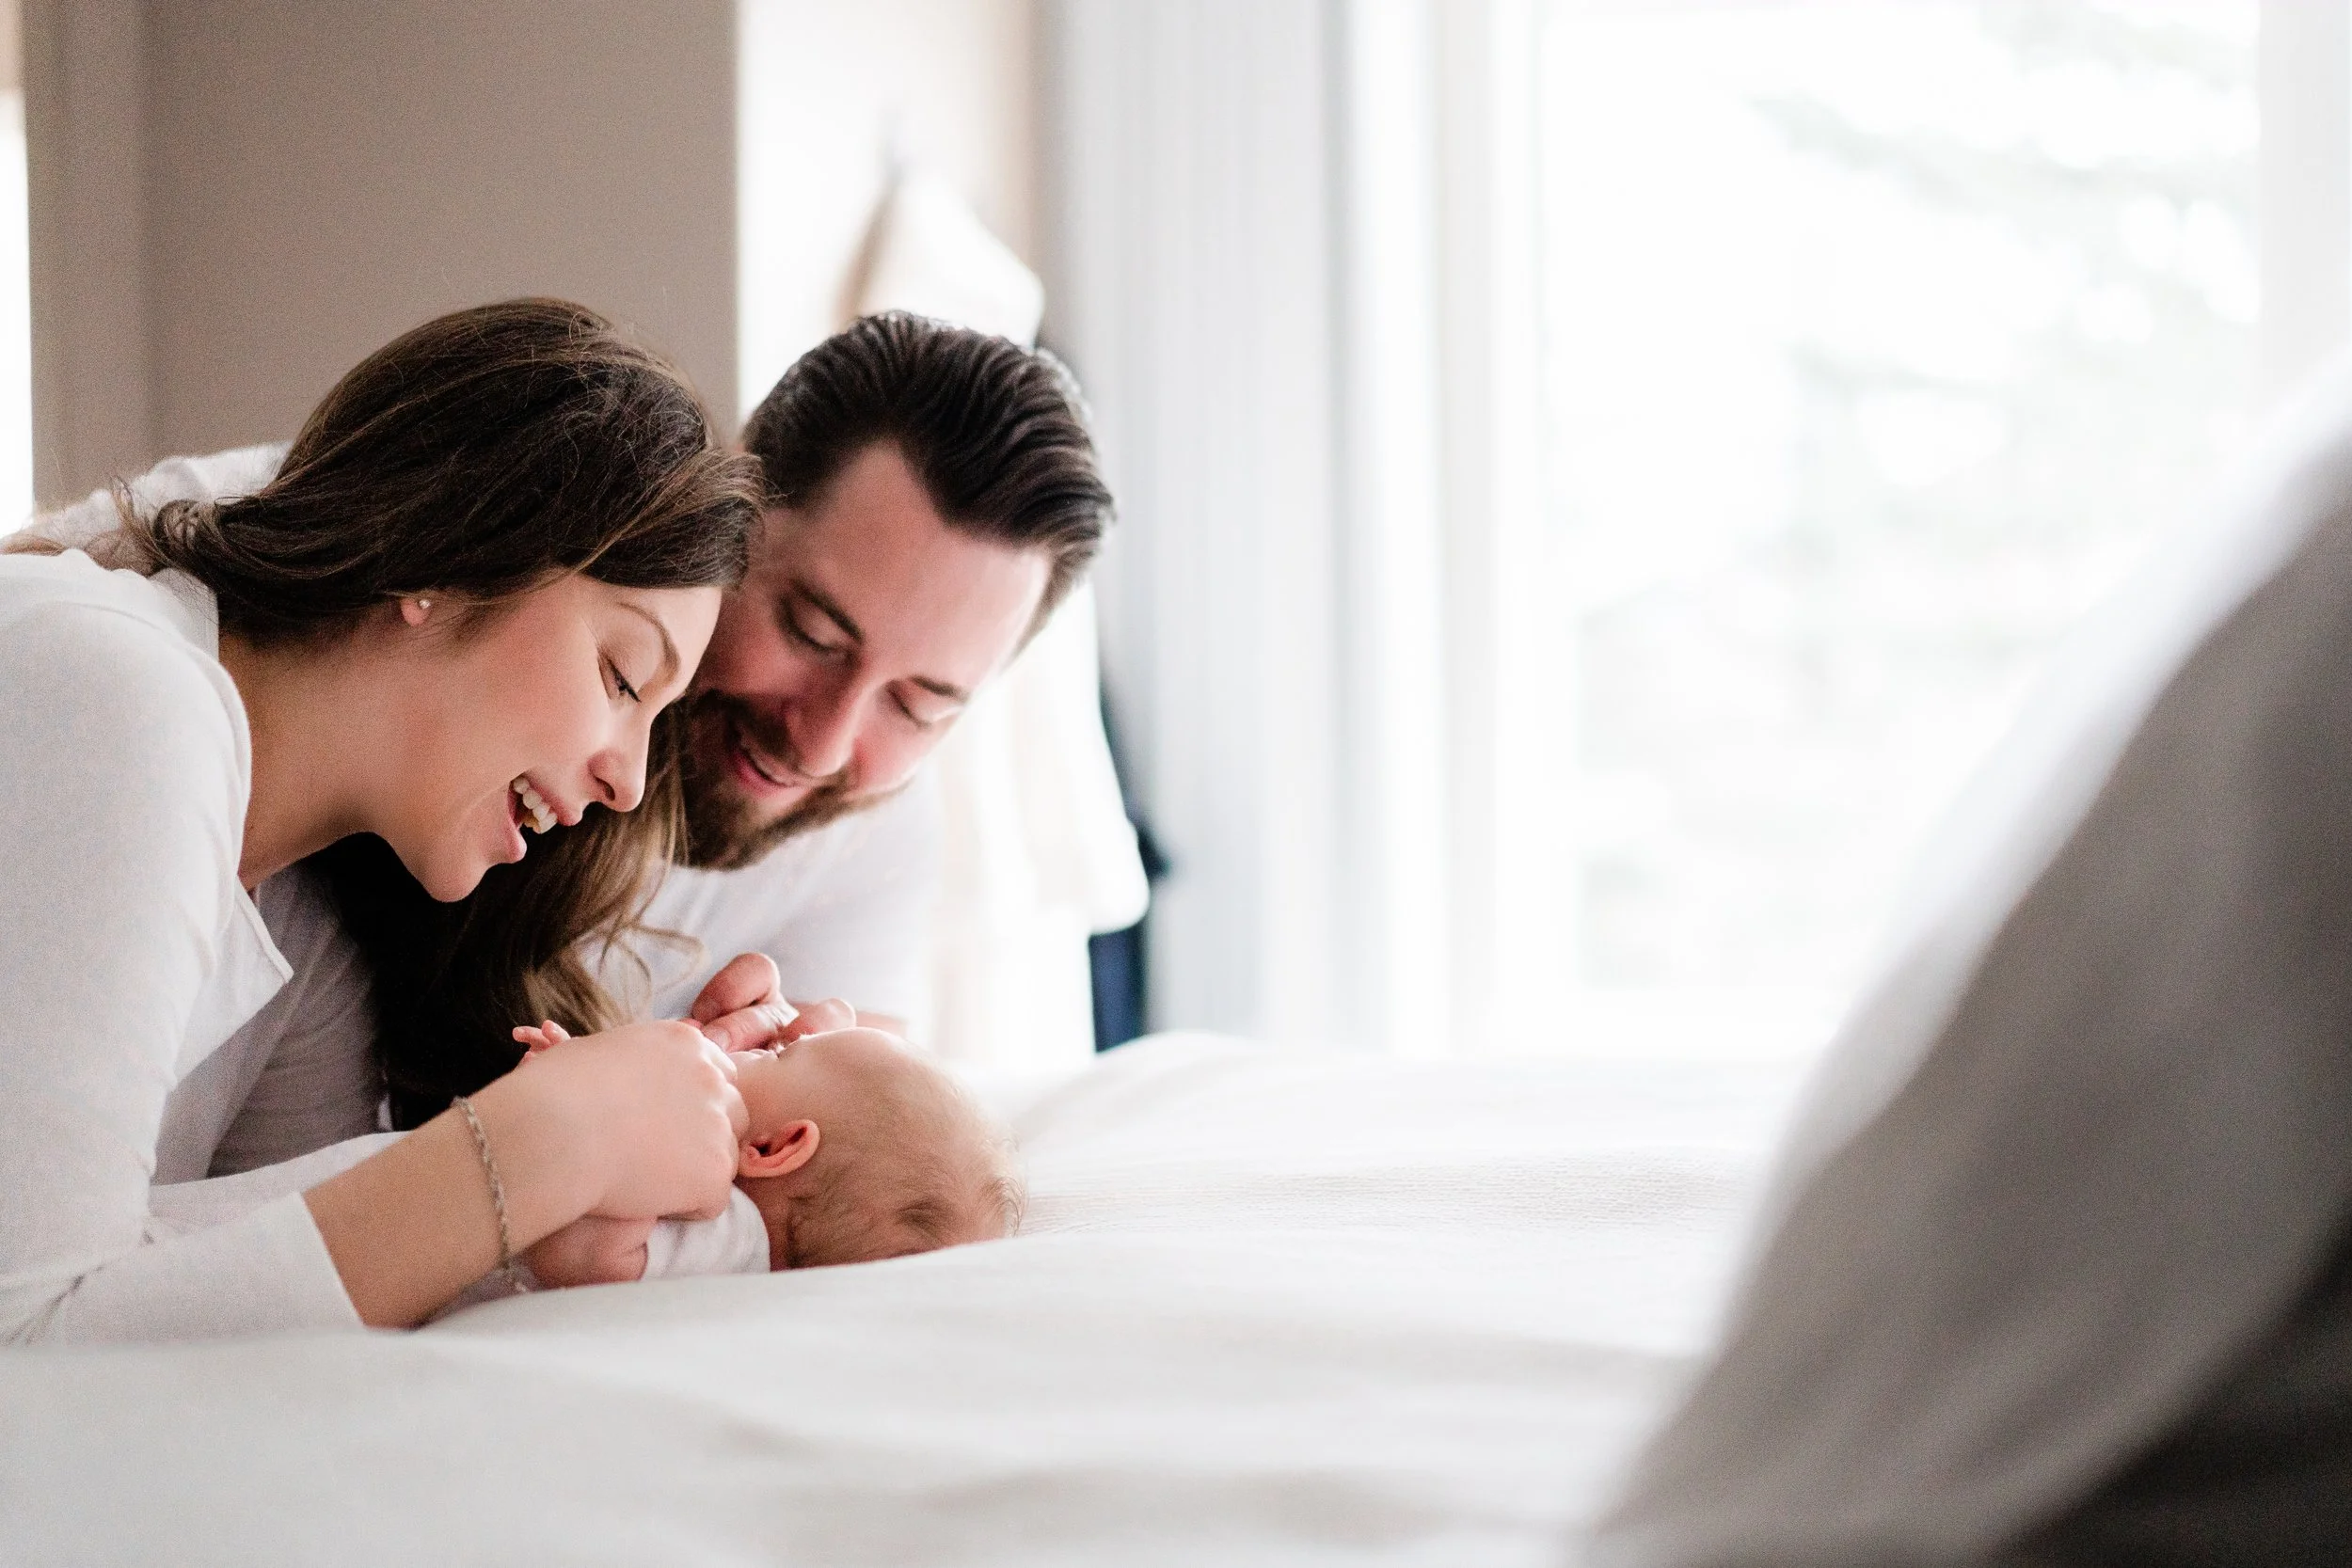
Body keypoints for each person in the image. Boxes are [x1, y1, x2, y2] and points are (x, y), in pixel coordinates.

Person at [54, 310, 1117, 1162]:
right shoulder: (420, 554)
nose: (827, 742)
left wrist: (738, 1105)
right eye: (811, 632)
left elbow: (853, 1175)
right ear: (725, 508)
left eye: (918, 705)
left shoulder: (872, 843)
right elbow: (51, 628)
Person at [0, 299, 765, 1342]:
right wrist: (547, 1142)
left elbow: (258, 1313)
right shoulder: (118, 692)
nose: (629, 783)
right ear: (447, 560)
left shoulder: (303, 948)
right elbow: (26, 1351)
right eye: (623, 676)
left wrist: (689, 1155)